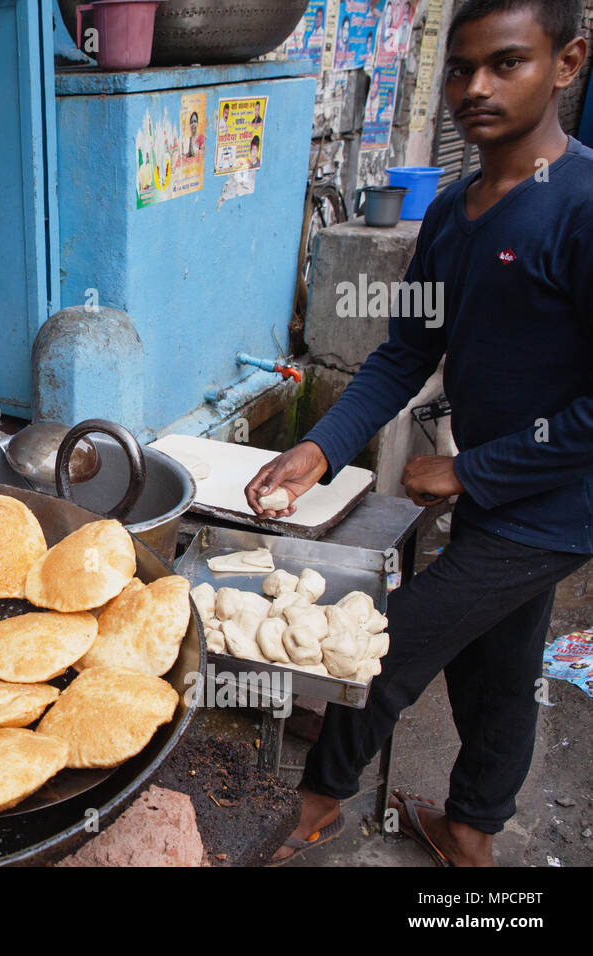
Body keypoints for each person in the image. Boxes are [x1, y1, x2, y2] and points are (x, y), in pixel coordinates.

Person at [247, 0, 591, 866]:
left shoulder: (582, 208)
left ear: (568, 61)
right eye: (459, 67)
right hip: (500, 492)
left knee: (384, 644)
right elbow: (405, 356)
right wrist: (320, 449)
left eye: (505, 63)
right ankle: (472, 829)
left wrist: (471, 471)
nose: (474, 88)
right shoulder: (450, 213)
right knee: (500, 664)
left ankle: (314, 807)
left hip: (555, 506)